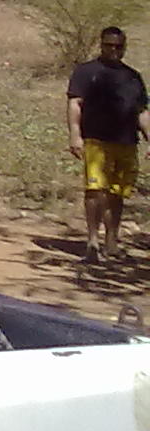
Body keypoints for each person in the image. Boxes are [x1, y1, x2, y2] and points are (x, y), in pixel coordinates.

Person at [66, 26, 150, 264]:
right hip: (96, 140)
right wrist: (75, 135)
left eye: (118, 46)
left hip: (126, 141)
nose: (114, 50)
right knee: (95, 190)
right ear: (101, 45)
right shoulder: (86, 72)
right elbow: (75, 104)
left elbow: (141, 111)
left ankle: (111, 242)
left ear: (125, 47)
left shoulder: (133, 77)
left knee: (117, 193)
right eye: (109, 45)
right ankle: (92, 241)